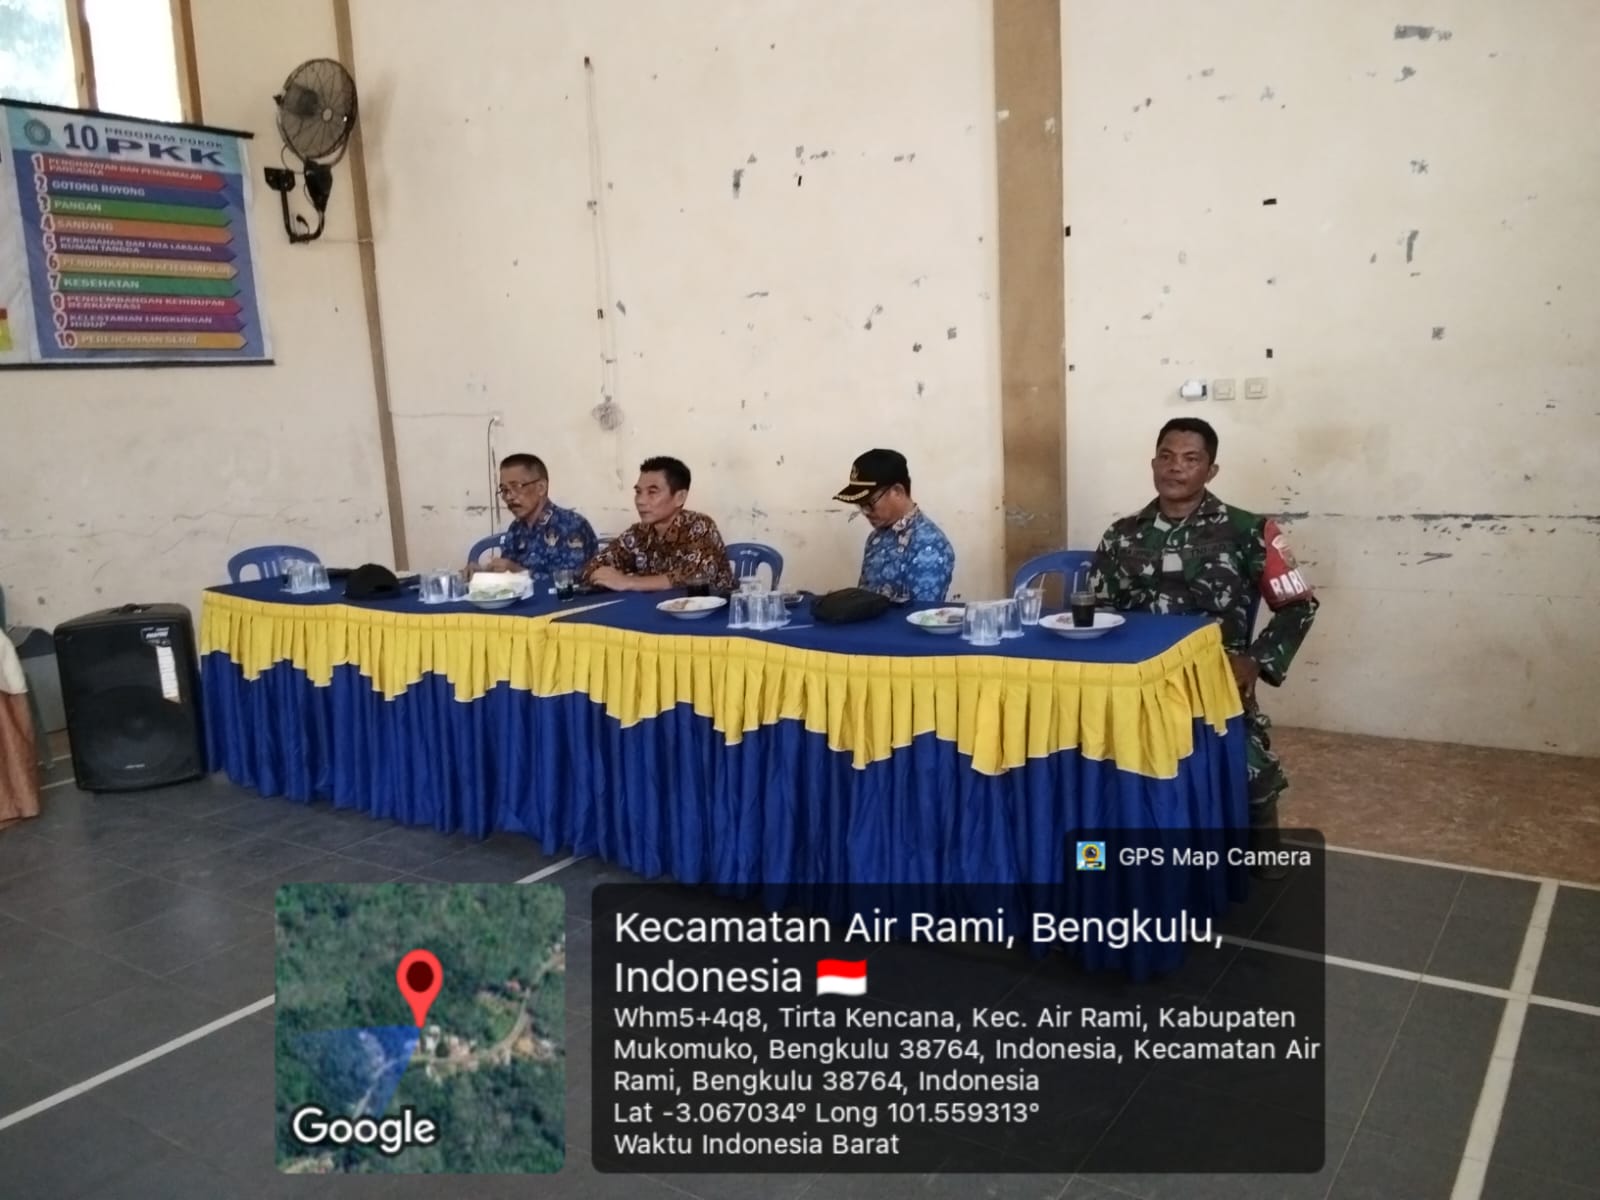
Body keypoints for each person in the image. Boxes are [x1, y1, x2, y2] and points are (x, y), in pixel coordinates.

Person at [1089, 418, 1318, 864]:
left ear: (1211, 471)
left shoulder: (1249, 531)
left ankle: (1263, 848)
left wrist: (1255, 660)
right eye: (1166, 456)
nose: (1175, 467)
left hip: (1213, 679)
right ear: (1153, 464)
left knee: (1250, 772)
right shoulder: (1121, 534)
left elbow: (1299, 605)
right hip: (1136, 681)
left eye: (1190, 459)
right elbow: (1099, 612)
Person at [582, 456, 736, 592]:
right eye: (638, 492)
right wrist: (605, 575)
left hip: (711, 612)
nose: (640, 501)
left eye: (652, 492)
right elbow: (595, 566)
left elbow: (693, 576)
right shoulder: (638, 533)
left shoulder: (699, 526)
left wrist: (628, 581)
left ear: (680, 497)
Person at [833, 448, 955, 603]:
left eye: (869, 503)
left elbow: (921, 612)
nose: (865, 512)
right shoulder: (876, 537)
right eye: (860, 505)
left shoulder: (929, 544)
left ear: (898, 491)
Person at [475, 453, 598, 587]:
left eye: (516, 487)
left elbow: (573, 582)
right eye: (504, 490)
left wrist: (520, 573)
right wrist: (481, 574)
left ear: (541, 488)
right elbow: (507, 578)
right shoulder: (516, 529)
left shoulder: (571, 525)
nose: (509, 497)